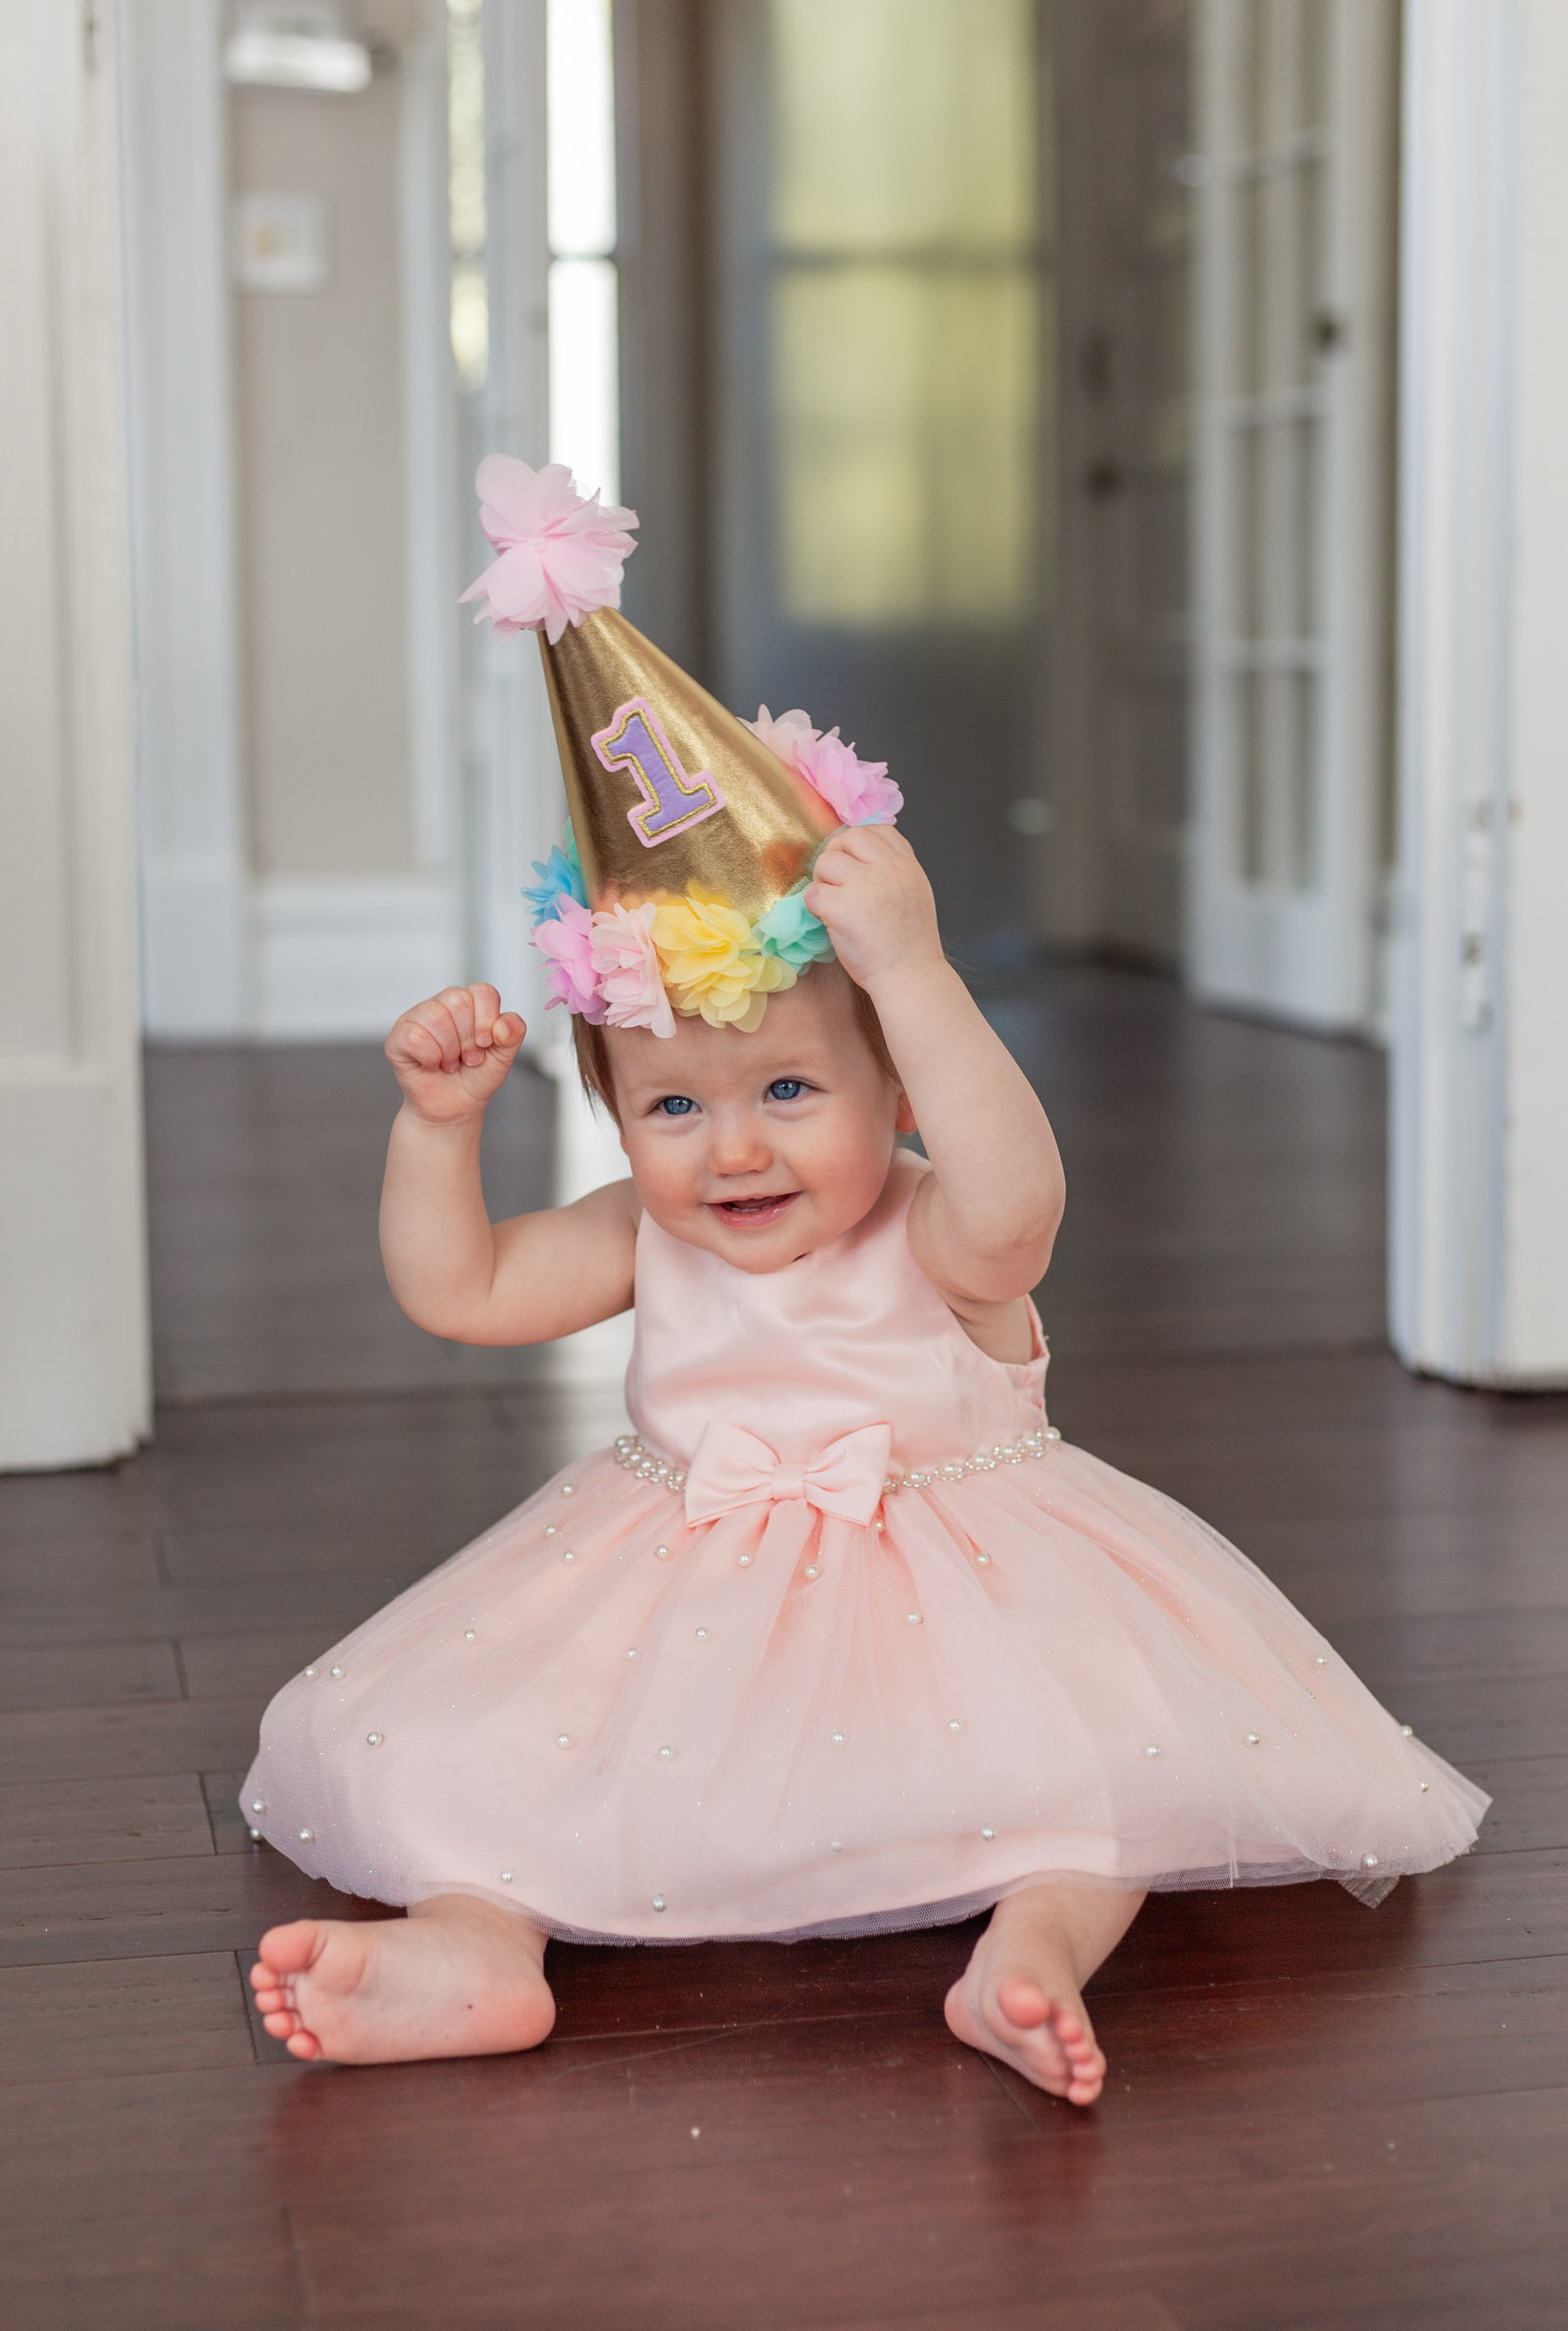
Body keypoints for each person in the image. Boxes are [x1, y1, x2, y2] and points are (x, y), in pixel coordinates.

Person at [243, 463, 1488, 2104]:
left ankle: (1028, 1955)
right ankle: (483, 1945)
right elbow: (463, 1290)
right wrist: (436, 1128)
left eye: (789, 1094)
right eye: (673, 1107)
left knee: (1098, 1769)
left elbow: (1022, 1193)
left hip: (968, 1589)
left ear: (897, 1088)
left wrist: (913, 971)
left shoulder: (944, 1229)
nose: (733, 1153)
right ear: (615, 1117)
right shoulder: (648, 1228)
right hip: (672, 1587)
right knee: (495, 1759)